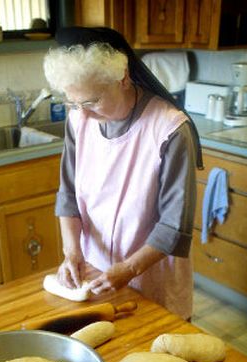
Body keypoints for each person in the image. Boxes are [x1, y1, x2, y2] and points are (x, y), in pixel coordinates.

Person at [43, 26, 202, 320]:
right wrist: (72, 252)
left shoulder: (169, 130)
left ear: (123, 78)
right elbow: (68, 195)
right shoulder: (78, 119)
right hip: (96, 272)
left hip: (152, 276)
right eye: (72, 103)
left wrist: (128, 270)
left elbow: (174, 226)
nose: (83, 114)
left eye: (92, 101)